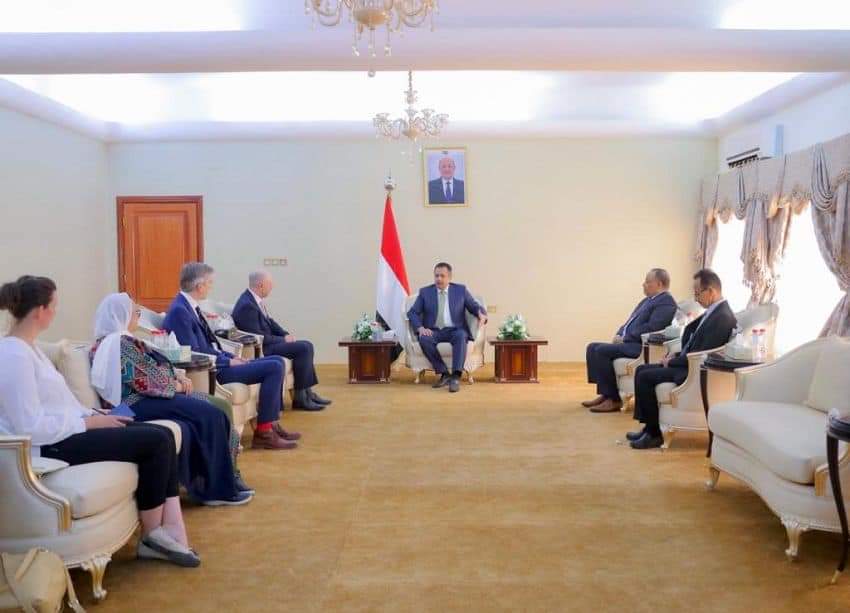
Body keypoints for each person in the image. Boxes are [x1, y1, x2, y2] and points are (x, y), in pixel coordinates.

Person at [0, 276, 200, 567]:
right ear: (40, 310)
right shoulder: (14, 355)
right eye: (54, 305)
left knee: (162, 434)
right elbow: (27, 427)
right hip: (47, 446)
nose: (56, 311)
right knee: (156, 441)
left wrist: (94, 414)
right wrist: (88, 425)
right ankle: (153, 536)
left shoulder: (29, 349)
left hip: (65, 433)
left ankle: (165, 530)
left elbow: (60, 406)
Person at [90, 292, 253, 505]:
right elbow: (147, 380)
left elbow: (157, 367)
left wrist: (178, 376)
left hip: (146, 399)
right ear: (122, 315)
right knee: (209, 413)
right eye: (136, 312)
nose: (138, 316)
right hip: (131, 405)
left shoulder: (120, 341)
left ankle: (225, 477)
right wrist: (176, 385)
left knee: (215, 407)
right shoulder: (119, 344)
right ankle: (216, 491)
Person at [163, 263, 300, 450]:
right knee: (274, 367)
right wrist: (228, 361)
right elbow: (194, 352)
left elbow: (211, 344)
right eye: (210, 283)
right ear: (199, 286)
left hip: (220, 362)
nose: (211, 287)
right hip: (213, 371)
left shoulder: (189, 306)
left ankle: (272, 424)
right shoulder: (180, 311)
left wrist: (232, 357)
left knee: (276, 361)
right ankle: (264, 433)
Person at [628, 269, 737, 450]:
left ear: (711, 291)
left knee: (645, 376)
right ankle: (649, 428)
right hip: (687, 363)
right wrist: (676, 355)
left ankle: (654, 435)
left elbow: (701, 354)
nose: (695, 298)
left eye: (697, 293)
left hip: (692, 371)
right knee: (641, 370)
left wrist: (671, 362)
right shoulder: (714, 312)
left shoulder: (722, 317)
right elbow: (695, 344)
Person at [232, 271, 331, 411]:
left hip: (270, 343)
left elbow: (271, 323)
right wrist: (283, 339)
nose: (272, 287)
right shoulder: (246, 305)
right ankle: (301, 398)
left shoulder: (254, 300)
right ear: (260, 285)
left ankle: (307, 393)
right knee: (303, 348)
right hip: (263, 349)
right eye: (270, 284)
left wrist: (285, 334)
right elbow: (258, 337)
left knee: (306, 345)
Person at [583, 269, 677, 413]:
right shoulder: (647, 300)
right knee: (592, 347)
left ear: (659, 284)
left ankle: (613, 400)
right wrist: (619, 334)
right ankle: (606, 394)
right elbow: (629, 322)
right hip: (630, 341)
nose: (643, 284)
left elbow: (653, 327)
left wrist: (625, 338)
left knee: (602, 351)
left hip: (641, 346)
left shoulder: (666, 302)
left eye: (647, 282)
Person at [407, 262, 487, 393]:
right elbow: (412, 312)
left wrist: (481, 314)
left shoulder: (460, 290)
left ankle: (455, 376)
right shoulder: (425, 292)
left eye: (442, 276)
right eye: (436, 276)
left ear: (449, 277)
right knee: (424, 338)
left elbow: (474, 306)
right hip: (434, 330)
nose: (439, 279)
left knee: (461, 335)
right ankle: (444, 374)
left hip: (455, 330)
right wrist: (420, 328)